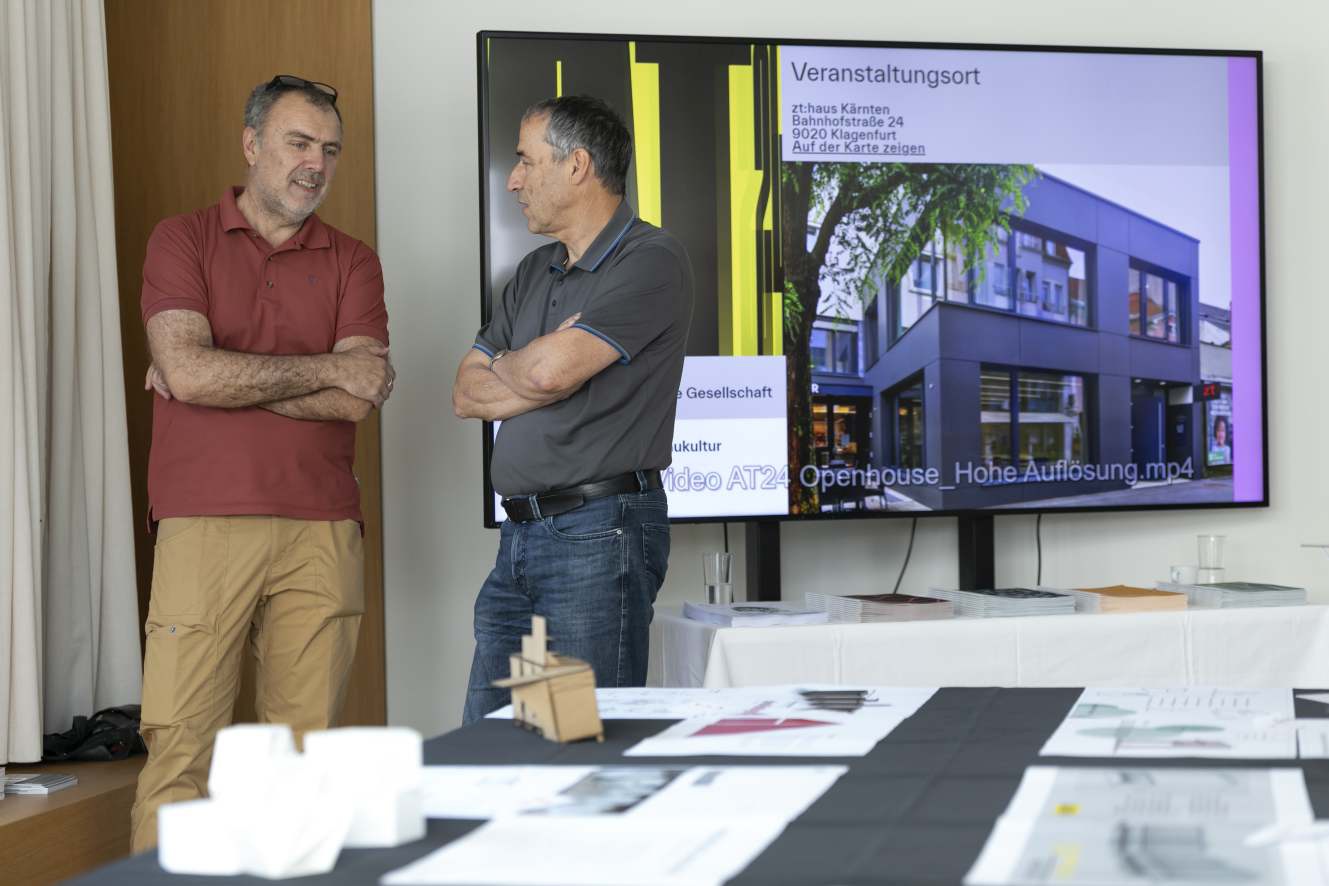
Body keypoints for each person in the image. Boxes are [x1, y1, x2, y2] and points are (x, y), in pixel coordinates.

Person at [129, 75, 392, 852]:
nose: (317, 164)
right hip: (203, 520)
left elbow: (358, 397)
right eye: (299, 143)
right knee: (181, 747)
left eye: (330, 150)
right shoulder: (181, 239)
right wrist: (321, 368)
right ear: (251, 145)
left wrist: (215, 377)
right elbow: (193, 372)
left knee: (302, 761)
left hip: (322, 529)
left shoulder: (353, 260)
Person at [453, 95, 694, 723]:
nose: (513, 180)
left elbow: (548, 371)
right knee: (486, 746)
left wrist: (533, 369)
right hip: (519, 540)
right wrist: (541, 369)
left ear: (577, 165)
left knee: (575, 744)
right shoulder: (535, 270)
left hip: (596, 537)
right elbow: (465, 393)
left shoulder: (651, 259)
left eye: (526, 161)